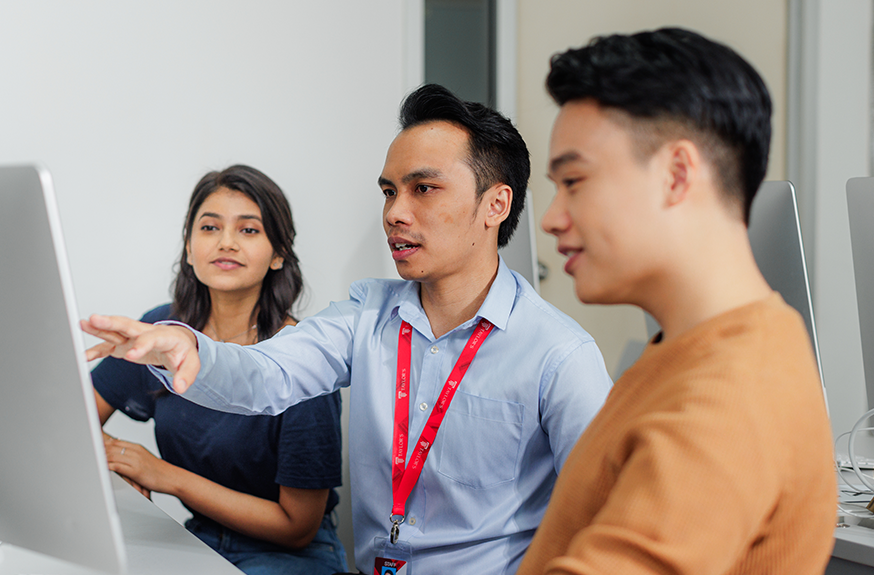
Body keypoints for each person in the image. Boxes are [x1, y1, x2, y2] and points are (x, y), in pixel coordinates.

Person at [83, 84, 613, 574]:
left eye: (423, 188)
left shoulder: (559, 354)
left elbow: (606, 514)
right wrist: (190, 348)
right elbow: (269, 372)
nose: (395, 213)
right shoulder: (367, 316)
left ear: (495, 204)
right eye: (389, 192)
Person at [516, 28, 836, 574]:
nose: (550, 218)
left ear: (677, 175)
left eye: (573, 181)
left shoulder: (730, 394)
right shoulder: (690, 350)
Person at [90, 165, 348, 575]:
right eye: (209, 228)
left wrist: (162, 475)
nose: (226, 242)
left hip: (288, 556)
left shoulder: (304, 357)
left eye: (248, 230)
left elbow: (296, 528)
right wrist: (117, 467)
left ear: (278, 253)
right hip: (195, 538)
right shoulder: (163, 331)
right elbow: (72, 423)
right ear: (189, 249)